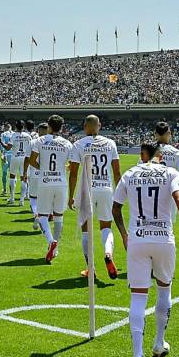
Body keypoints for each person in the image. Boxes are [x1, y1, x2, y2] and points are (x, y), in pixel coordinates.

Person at [112, 143, 179, 357]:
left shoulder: (131, 173)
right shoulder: (169, 172)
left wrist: (124, 234)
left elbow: (115, 208)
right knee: (164, 289)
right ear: (160, 157)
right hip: (164, 239)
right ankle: (159, 343)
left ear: (144, 157)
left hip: (138, 241)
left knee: (138, 297)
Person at [68, 114, 123, 279]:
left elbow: (73, 174)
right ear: (99, 126)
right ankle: (108, 253)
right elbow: (117, 171)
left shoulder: (78, 144)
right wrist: (120, 194)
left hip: (87, 190)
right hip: (106, 188)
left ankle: (90, 268)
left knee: (86, 230)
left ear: (85, 126)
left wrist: (71, 196)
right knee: (106, 226)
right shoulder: (110, 143)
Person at [26, 115, 73, 264]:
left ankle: (51, 240)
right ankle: (56, 247)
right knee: (59, 215)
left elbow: (32, 160)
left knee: (42, 216)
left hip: (45, 181)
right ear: (61, 127)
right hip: (61, 182)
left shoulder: (39, 140)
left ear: (49, 126)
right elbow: (72, 164)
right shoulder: (67, 143)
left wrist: (43, 168)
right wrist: (62, 168)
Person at [154, 121, 179, 199]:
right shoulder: (176, 153)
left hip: (150, 194)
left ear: (155, 134)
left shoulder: (148, 152)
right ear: (169, 134)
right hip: (169, 194)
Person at [26, 122, 48, 229]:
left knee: (33, 197)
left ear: (38, 131)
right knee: (45, 197)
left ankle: (36, 214)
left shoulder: (33, 142)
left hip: (34, 173)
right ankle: (46, 215)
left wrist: (24, 173)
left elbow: (27, 158)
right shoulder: (52, 142)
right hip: (48, 175)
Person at [0, 122, 15, 198]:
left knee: (4, 173)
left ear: (5, 127)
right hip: (14, 155)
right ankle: (12, 190)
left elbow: (2, 146)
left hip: (6, 154)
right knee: (13, 174)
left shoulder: (3, 134)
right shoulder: (14, 134)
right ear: (11, 127)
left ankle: (4, 189)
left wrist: (2, 155)